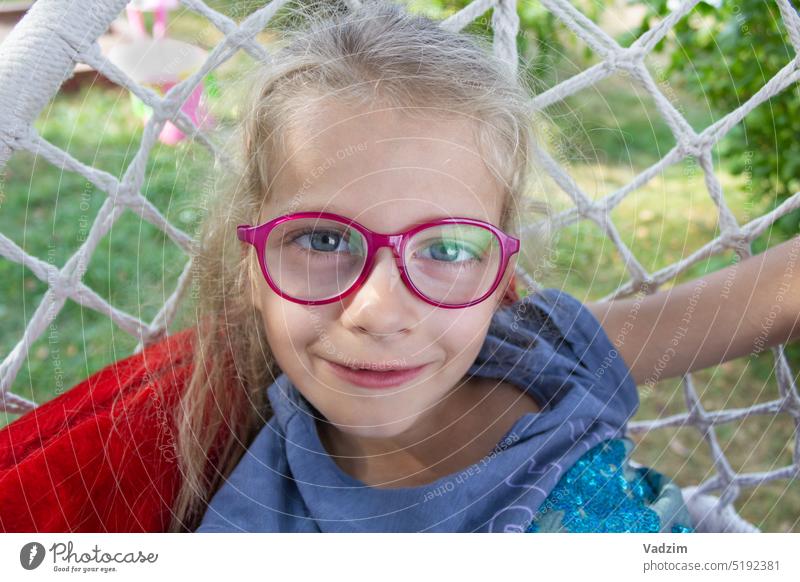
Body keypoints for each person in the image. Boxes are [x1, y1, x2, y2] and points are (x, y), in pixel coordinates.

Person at [172, 1, 798, 533]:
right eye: (323, 241)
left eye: (446, 249)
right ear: (250, 266)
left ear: (499, 276)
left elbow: (773, 292)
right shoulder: (259, 522)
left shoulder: (541, 350)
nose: (379, 312)